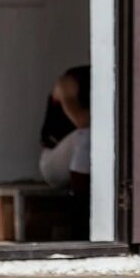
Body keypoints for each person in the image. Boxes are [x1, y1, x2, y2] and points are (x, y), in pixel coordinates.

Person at [37, 65, 91, 238]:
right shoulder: (70, 80)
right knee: (87, 133)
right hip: (54, 164)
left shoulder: (120, 79)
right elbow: (81, 120)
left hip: (90, 166)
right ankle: (80, 206)